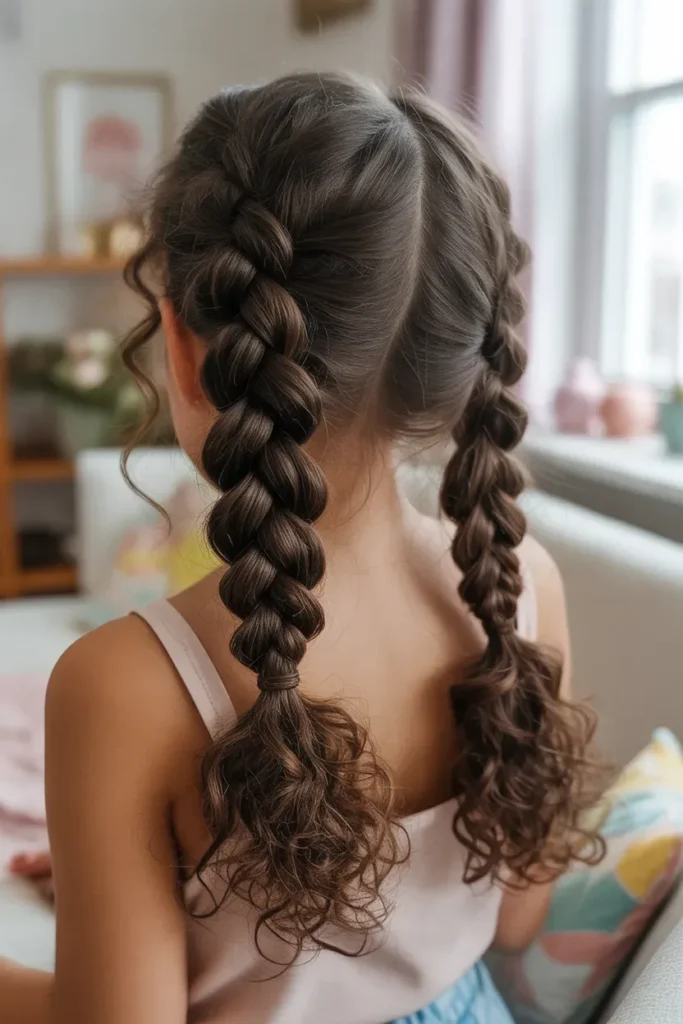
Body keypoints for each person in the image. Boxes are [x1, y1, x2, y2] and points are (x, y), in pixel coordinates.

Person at [1, 73, 602, 1024]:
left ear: (184, 346)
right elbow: (516, 918)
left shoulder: (123, 685)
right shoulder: (523, 586)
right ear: (459, 361)